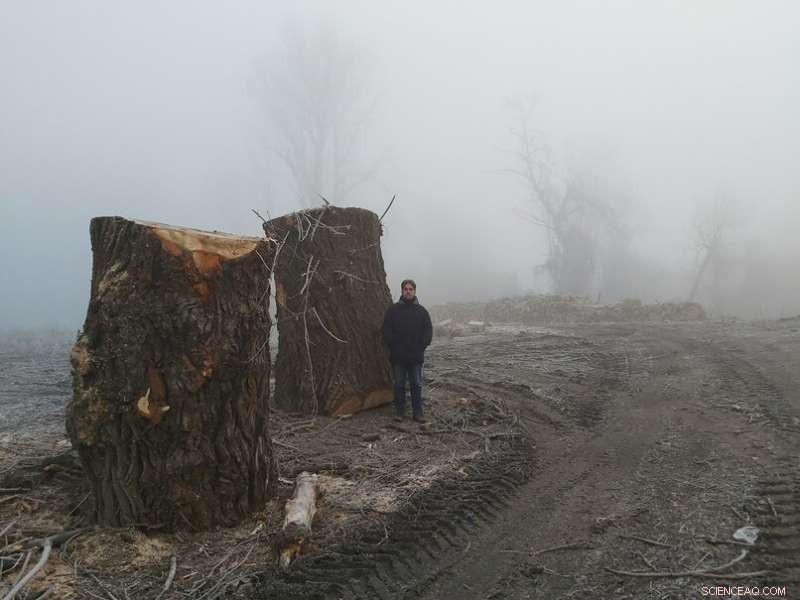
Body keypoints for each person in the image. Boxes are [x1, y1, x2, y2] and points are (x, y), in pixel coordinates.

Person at [382, 279, 433, 422]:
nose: (408, 291)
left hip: (416, 356)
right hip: (398, 356)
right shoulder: (393, 310)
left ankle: (418, 413)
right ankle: (400, 413)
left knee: (416, 384)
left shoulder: (422, 312)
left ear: (415, 291)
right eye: (406, 289)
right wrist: (393, 344)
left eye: (411, 289)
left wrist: (422, 345)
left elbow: (428, 331)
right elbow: (386, 329)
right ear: (402, 291)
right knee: (399, 384)